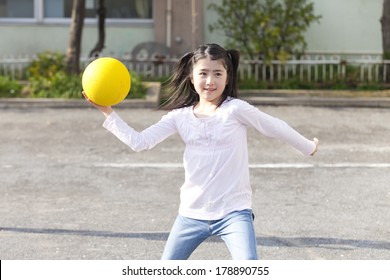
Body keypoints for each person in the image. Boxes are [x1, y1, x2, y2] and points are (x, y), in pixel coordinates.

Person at [83, 43, 319, 260]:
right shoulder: (179, 116)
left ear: (227, 78)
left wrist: (308, 146)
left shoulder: (235, 110)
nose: (210, 81)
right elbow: (140, 141)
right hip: (191, 214)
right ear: (191, 77)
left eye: (218, 74)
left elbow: (273, 126)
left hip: (233, 213)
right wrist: (107, 111)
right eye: (203, 73)